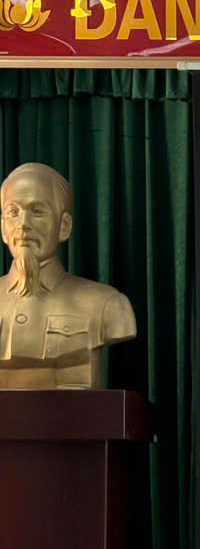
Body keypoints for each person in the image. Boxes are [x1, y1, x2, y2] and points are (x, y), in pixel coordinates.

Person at [0, 162, 136, 389]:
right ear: (3, 228)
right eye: (13, 212)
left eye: (37, 212)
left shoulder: (107, 304)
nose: (23, 224)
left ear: (64, 226)